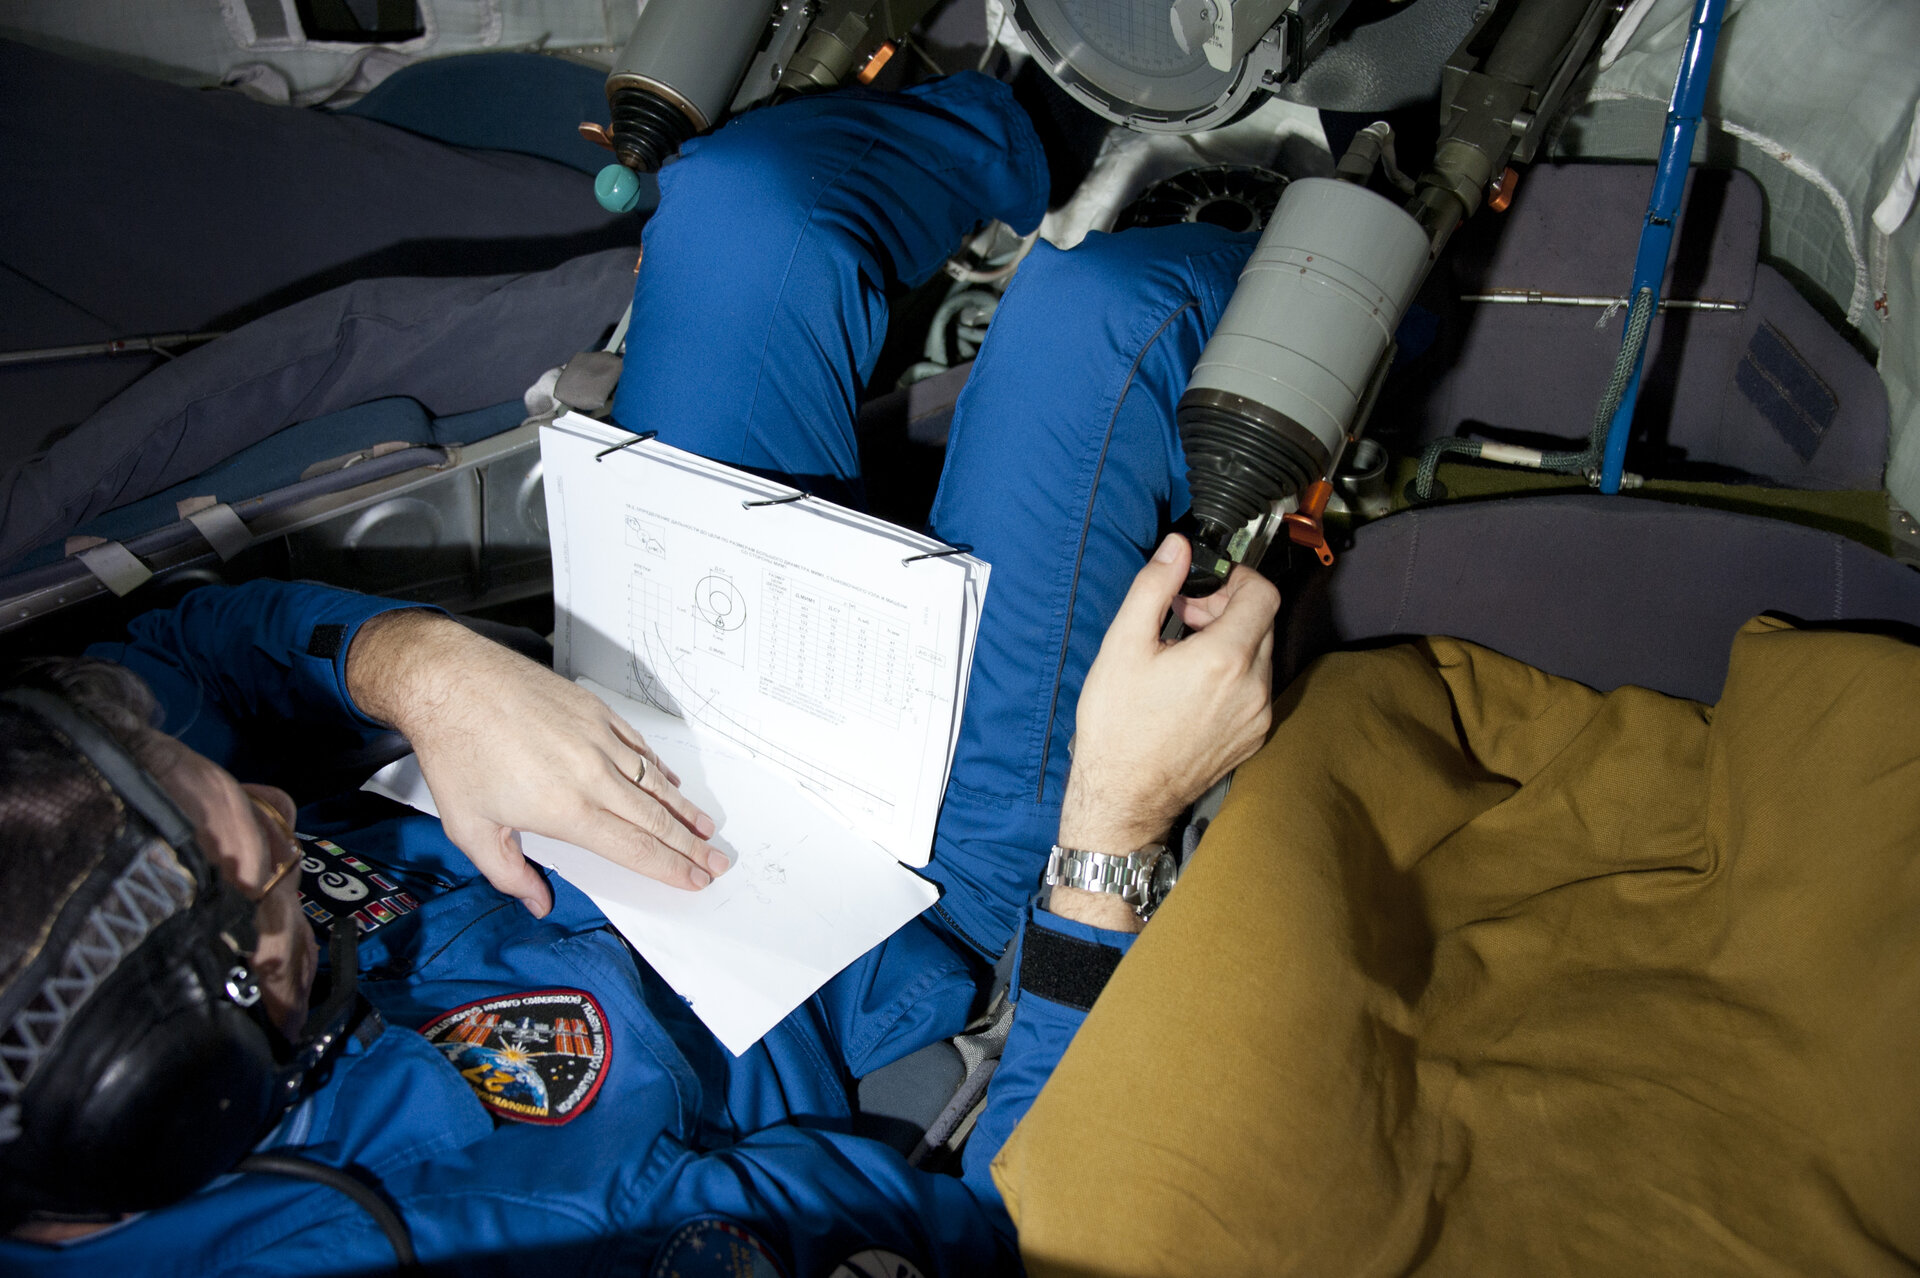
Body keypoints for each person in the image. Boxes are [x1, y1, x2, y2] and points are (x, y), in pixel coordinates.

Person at [0, 73, 1278, 1274]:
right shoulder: (526, 1233)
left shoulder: (56, 843)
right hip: (882, 894)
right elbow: (1016, 1232)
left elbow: (167, 648)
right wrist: (1113, 829)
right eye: (272, 872)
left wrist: (413, 671)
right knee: (1108, 318)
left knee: (750, 203)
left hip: (637, 703)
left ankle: (1036, 129)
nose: (278, 809)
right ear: (210, 1068)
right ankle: (1367, 230)